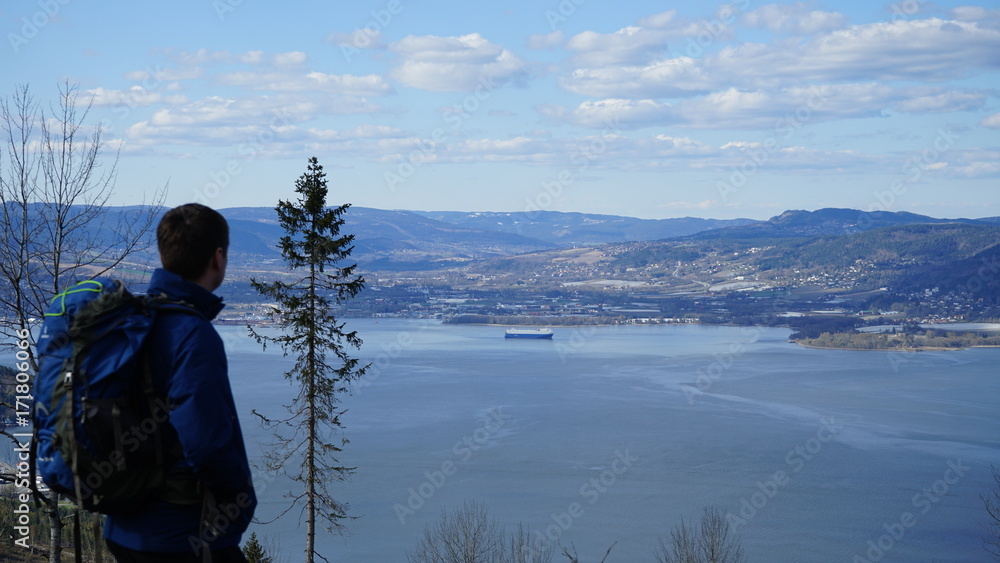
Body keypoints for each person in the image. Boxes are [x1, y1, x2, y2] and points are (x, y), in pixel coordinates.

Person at [104, 203, 257, 562]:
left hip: (125, 528)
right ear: (218, 258)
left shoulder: (134, 321)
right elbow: (205, 444)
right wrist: (241, 496)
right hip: (182, 535)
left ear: (164, 254)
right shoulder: (192, 334)